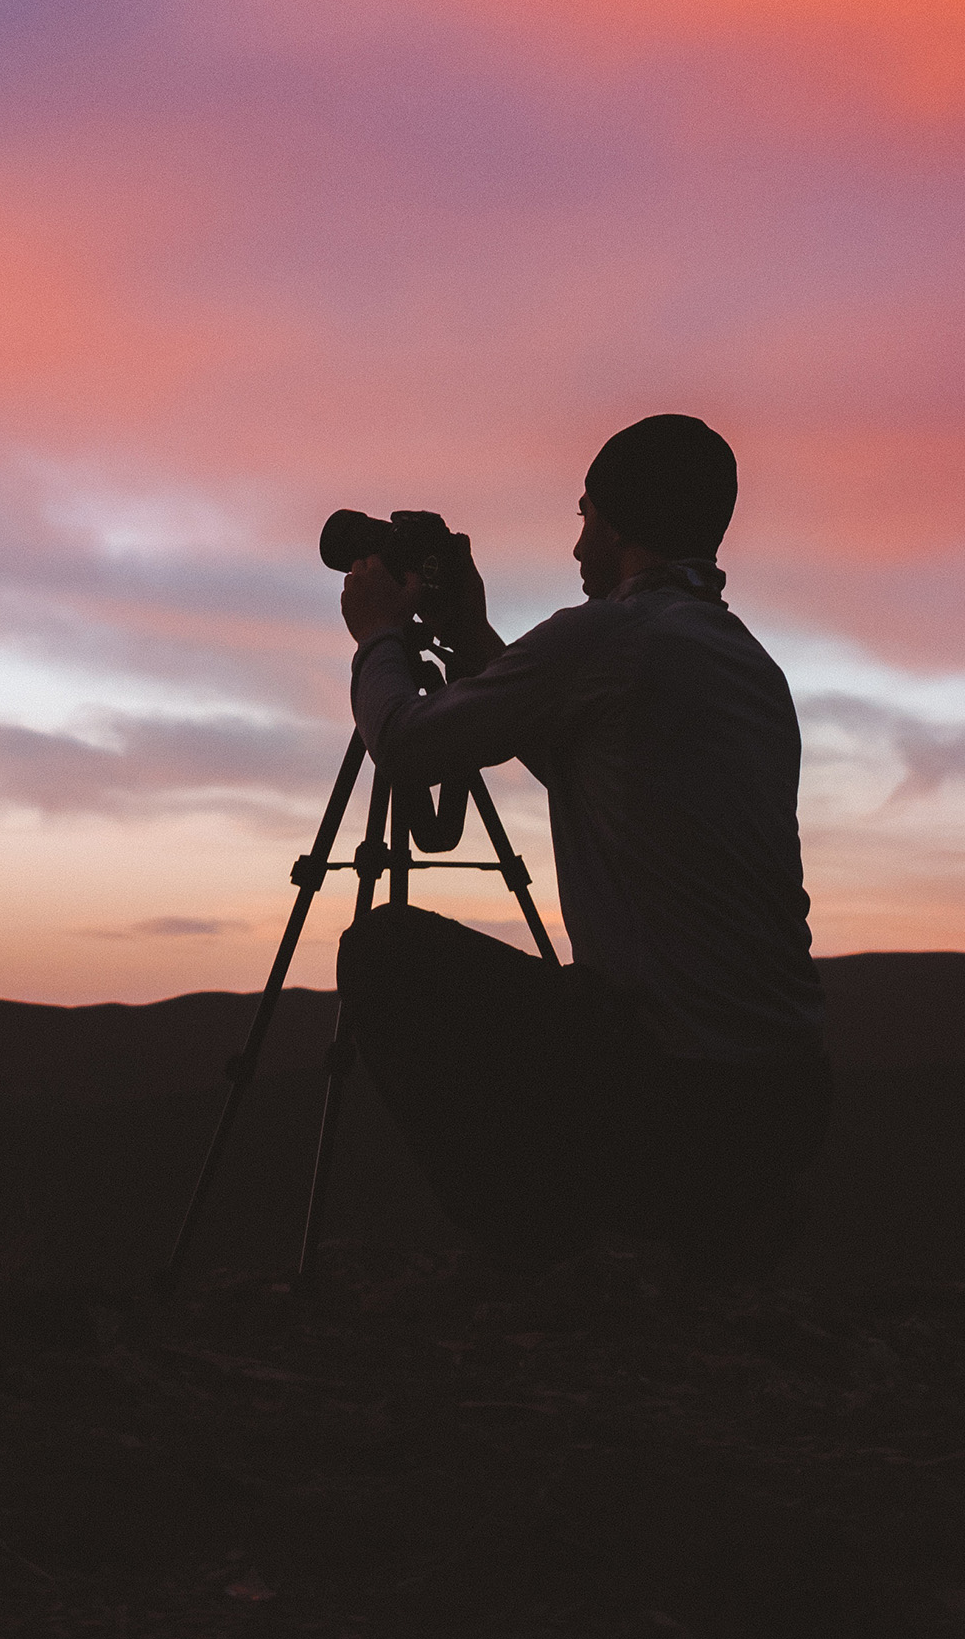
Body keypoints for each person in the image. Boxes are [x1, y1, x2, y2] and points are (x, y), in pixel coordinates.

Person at [337, 413, 829, 1270]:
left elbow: (409, 744)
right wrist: (473, 642)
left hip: (677, 1099)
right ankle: (726, 1220)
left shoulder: (609, 636)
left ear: (615, 522)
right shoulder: (742, 661)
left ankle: (532, 1255)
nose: (575, 545)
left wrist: (379, 633)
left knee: (385, 950)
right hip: (785, 1101)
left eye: (583, 515)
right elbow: (582, 756)